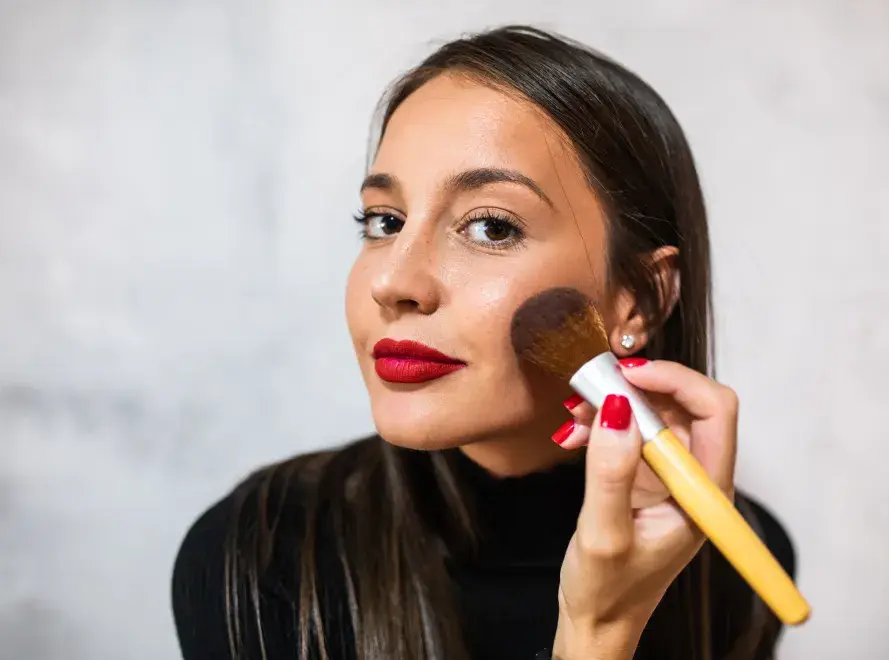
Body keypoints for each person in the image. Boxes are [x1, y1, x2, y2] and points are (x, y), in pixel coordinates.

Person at [171, 25, 797, 660]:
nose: (393, 282)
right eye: (384, 221)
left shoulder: (741, 564)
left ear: (636, 297)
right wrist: (595, 636)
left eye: (492, 227)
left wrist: (608, 623)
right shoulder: (261, 555)